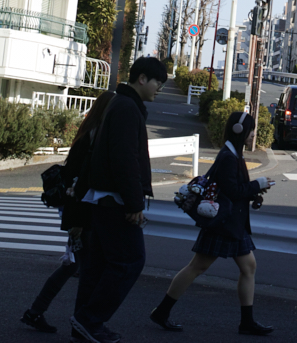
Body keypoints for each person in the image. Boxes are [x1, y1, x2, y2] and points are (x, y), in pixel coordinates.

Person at [149, 111, 276, 336]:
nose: (253, 134)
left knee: (247, 267)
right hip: (224, 223)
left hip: (231, 223)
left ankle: (247, 322)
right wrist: (257, 184)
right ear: (239, 130)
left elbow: (233, 190)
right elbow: (232, 191)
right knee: (197, 267)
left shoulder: (233, 153)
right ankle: (162, 311)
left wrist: (254, 190)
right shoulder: (229, 157)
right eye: (251, 130)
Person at [71, 57, 167, 343]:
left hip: (102, 199)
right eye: (157, 82)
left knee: (98, 267)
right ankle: (89, 320)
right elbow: (125, 159)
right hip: (116, 201)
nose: (159, 88)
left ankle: (83, 324)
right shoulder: (127, 108)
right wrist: (134, 203)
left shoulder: (120, 104)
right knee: (130, 261)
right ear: (142, 78)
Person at [19, 91, 116, 333]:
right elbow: (79, 183)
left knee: (74, 266)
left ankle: (36, 312)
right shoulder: (92, 140)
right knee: (87, 270)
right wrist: (77, 222)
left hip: (77, 212)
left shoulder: (88, 134)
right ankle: (82, 323)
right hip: (80, 214)